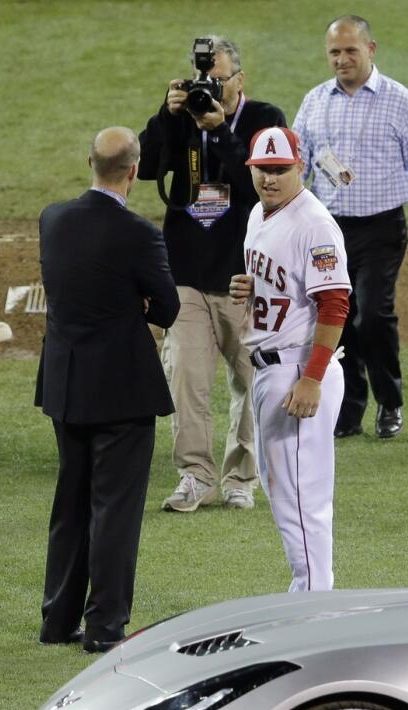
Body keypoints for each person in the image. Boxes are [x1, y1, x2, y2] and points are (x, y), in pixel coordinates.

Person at [35, 127, 180, 653]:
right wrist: (136, 303)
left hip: (66, 386)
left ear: (90, 164)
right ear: (134, 171)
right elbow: (166, 308)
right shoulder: (139, 234)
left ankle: (56, 621)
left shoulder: (53, 219)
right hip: (121, 390)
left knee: (70, 503)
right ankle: (104, 628)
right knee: (114, 510)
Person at [140, 36, 286, 512]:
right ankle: (195, 476)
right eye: (204, 78)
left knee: (250, 382)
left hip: (244, 276)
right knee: (186, 377)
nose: (209, 87)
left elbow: (264, 186)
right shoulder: (180, 116)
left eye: (218, 79)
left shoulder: (266, 119)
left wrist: (221, 132)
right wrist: (168, 114)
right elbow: (144, 166)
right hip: (185, 270)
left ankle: (241, 477)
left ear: (239, 80)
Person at [292, 14, 408, 441]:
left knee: (373, 314)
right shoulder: (315, 100)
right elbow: (297, 161)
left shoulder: (400, 100)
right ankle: (349, 407)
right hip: (329, 229)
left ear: (371, 50)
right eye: (334, 52)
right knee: (338, 318)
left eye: (350, 50)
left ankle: (390, 401)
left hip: (381, 228)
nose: (342, 59)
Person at [229, 126, 351, 591]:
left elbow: (335, 303)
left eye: (281, 170)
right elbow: (284, 286)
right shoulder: (259, 215)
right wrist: (249, 287)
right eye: (263, 170)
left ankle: (314, 604)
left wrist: (313, 378)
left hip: (299, 371)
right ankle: (308, 595)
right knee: (285, 494)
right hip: (270, 370)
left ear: (299, 167)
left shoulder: (314, 224)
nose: (271, 179)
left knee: (303, 500)